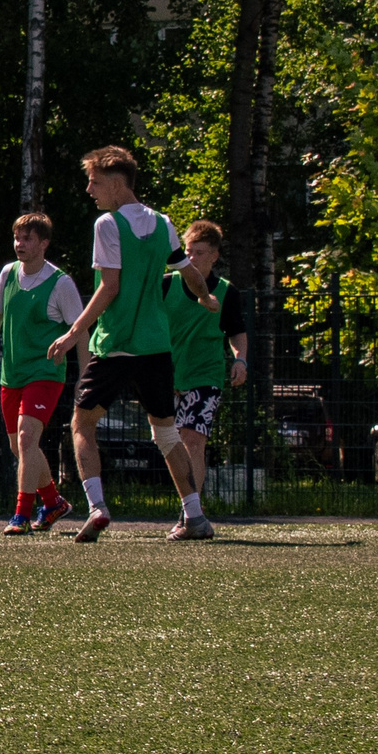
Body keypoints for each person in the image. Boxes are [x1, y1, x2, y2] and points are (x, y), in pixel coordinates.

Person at [47, 146, 199, 543]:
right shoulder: (164, 222)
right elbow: (188, 272)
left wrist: (73, 332)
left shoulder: (108, 224)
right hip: (155, 346)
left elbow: (109, 288)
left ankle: (97, 508)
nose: (89, 189)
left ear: (116, 183)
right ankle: (195, 517)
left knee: (82, 425)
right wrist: (207, 298)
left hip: (116, 346)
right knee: (167, 434)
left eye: (95, 181)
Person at [0, 211, 85, 534]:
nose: (19, 244)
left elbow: (80, 331)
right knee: (20, 447)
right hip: (12, 374)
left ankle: (21, 515)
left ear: (44, 243)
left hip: (46, 373)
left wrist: (85, 377)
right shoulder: (7, 274)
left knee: (25, 439)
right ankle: (52, 502)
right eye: (17, 238)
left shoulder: (60, 283)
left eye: (27, 239)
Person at [162, 219, 247, 541]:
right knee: (172, 444)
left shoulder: (226, 291)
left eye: (199, 253)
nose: (192, 258)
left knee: (192, 440)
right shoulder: (167, 285)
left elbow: (237, 332)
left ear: (214, 256)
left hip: (206, 376)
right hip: (168, 376)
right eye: (188, 252)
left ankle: (190, 515)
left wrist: (240, 360)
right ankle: (189, 509)